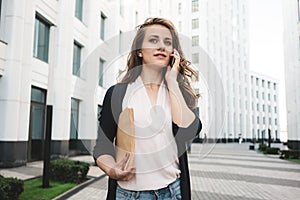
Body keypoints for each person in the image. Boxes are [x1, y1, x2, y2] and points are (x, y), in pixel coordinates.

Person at [93, 17, 202, 200]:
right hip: (128, 194)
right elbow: (102, 147)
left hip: (172, 192)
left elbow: (189, 130)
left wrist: (172, 82)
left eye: (168, 42)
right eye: (153, 40)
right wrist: (112, 170)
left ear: (173, 53)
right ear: (140, 51)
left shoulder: (178, 93)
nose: (161, 46)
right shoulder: (118, 94)